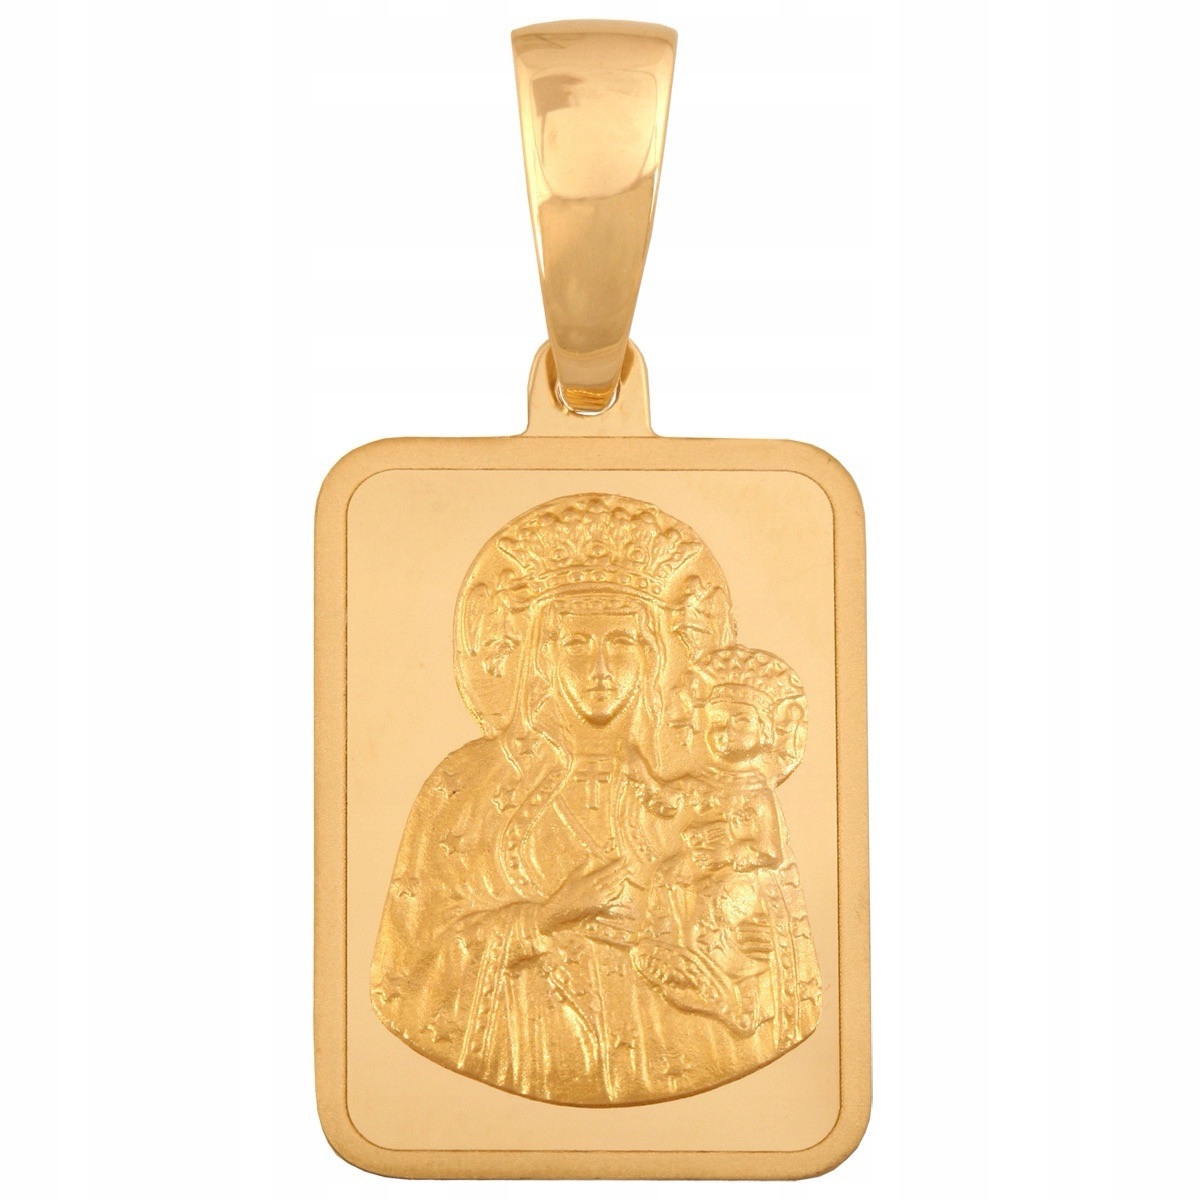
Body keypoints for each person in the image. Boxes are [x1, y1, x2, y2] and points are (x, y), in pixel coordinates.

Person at [371, 494, 739, 1105]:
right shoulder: (465, 785)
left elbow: (757, 951)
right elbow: (409, 973)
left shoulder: (701, 792)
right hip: (524, 1052)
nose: (600, 668)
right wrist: (543, 919)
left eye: (621, 642)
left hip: (678, 1059)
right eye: (575, 644)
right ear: (542, 655)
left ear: (652, 655)